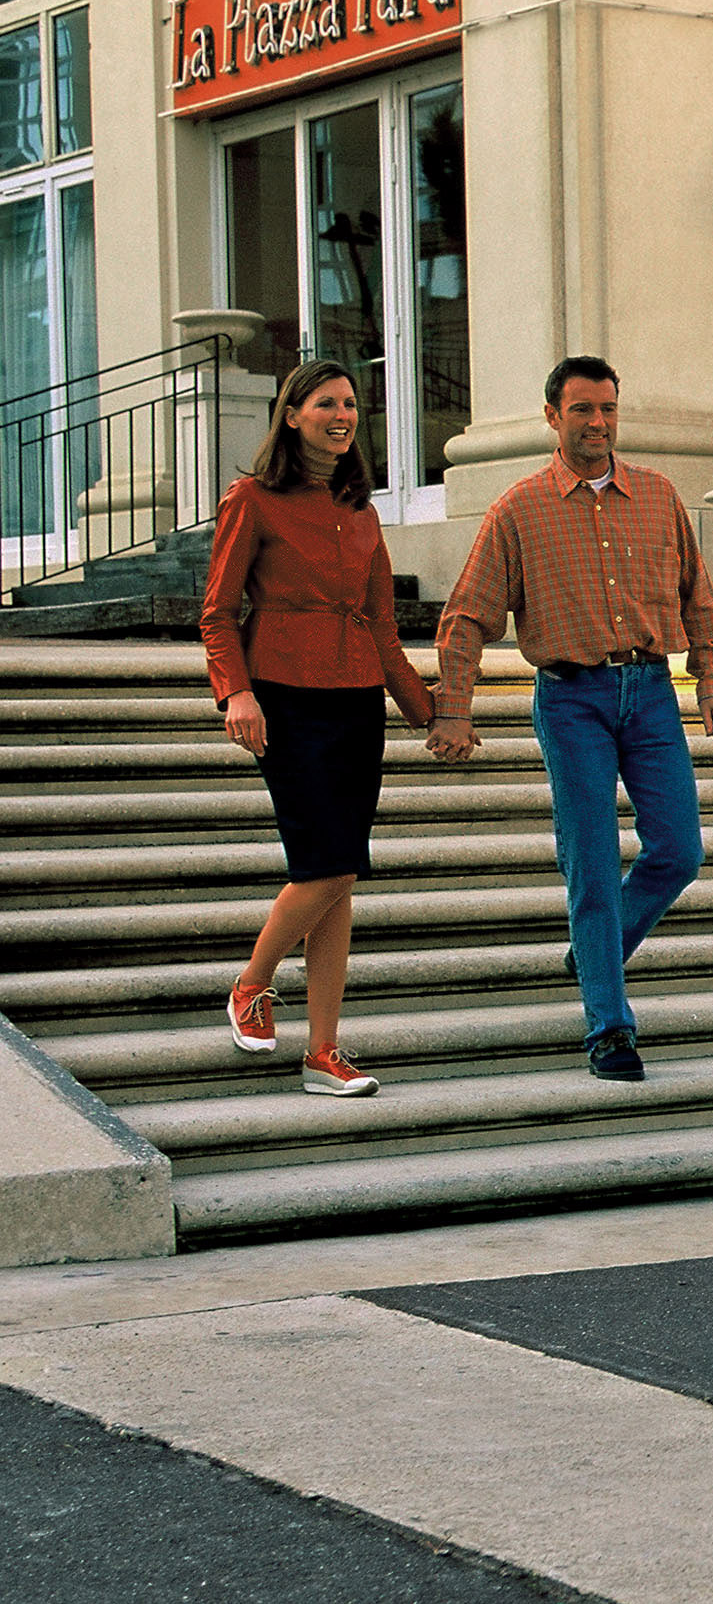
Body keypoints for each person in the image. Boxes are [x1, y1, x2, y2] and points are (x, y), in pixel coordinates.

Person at [426, 356, 713, 1081]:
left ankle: (594, 951)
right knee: (591, 863)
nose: (597, 423)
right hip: (570, 700)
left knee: (679, 851)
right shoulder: (518, 509)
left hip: (651, 692)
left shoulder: (659, 497)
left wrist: (711, 676)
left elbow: (699, 595)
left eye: (608, 410)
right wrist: (453, 707)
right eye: (582, 410)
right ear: (552, 417)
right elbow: (468, 614)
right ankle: (610, 1029)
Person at [201, 358, 436, 1096]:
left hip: (357, 698)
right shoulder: (253, 499)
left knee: (337, 878)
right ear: (292, 413)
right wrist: (236, 693)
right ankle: (252, 982)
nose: (343, 415)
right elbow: (217, 612)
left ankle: (322, 1053)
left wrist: (430, 711)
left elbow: (382, 625)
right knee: (329, 863)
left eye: (350, 405)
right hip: (284, 698)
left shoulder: (361, 511)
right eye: (326, 403)